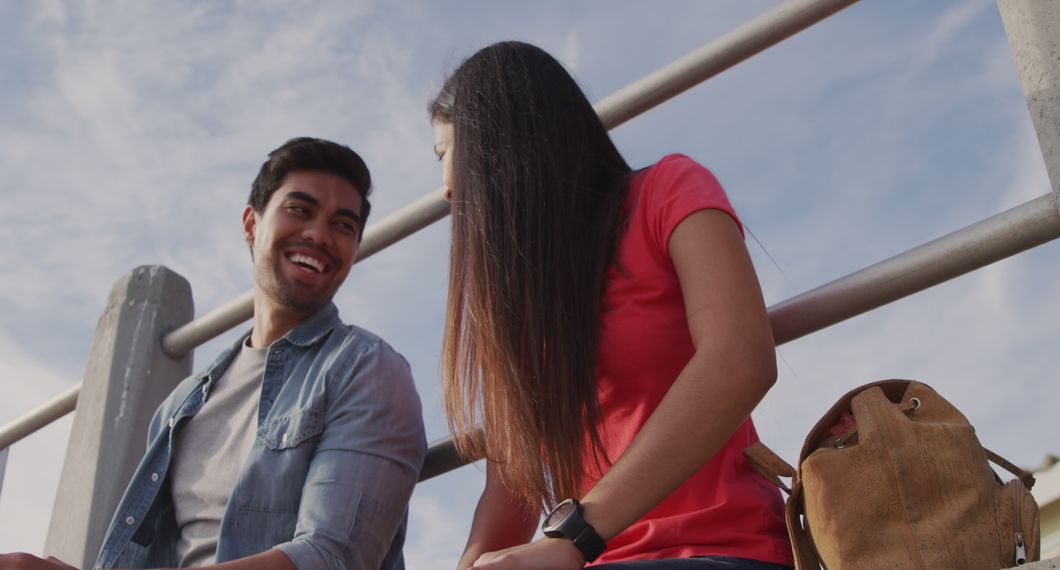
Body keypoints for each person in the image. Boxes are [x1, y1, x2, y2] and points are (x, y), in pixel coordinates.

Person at [430, 42, 794, 570]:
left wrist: (574, 537)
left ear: (497, 143)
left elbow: (739, 360)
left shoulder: (666, 190)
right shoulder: (515, 312)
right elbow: (513, 490)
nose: (444, 191)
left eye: (445, 156)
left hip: (722, 549)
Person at [0, 138, 427, 570]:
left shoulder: (367, 368)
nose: (319, 235)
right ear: (251, 223)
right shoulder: (180, 406)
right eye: (300, 209)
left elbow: (332, 558)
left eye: (343, 225)